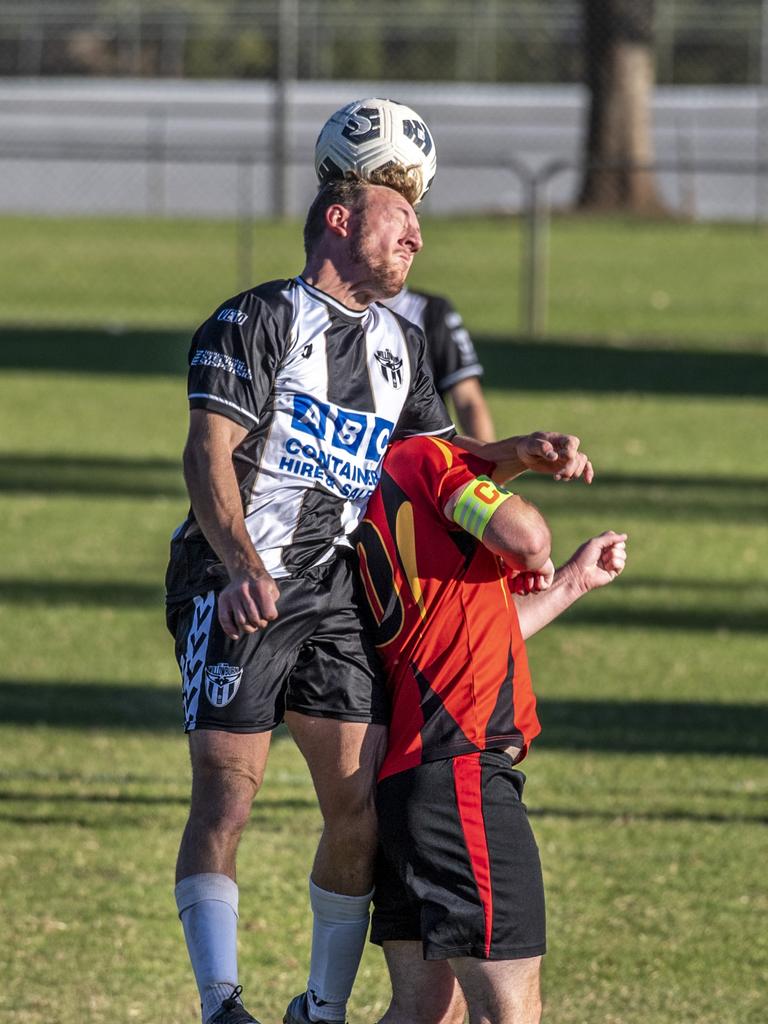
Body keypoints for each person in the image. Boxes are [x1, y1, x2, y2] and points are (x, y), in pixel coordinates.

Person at [165, 169, 594, 1024]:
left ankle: (321, 1010)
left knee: (357, 804)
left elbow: (438, 464)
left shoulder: (402, 344)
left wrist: (517, 450)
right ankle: (221, 1004)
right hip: (234, 574)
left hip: (331, 592)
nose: (418, 236)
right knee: (227, 790)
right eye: (402, 215)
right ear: (338, 218)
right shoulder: (256, 317)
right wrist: (244, 563)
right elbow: (206, 453)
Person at [354, 434, 628, 1024]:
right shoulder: (424, 458)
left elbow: (481, 636)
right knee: (508, 1012)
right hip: (461, 773)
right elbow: (529, 541)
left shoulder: (386, 499)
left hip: (411, 783)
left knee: (424, 1009)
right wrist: (526, 541)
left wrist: (572, 582)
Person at [382, 287, 495, 441]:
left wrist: (488, 461)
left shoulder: (429, 310)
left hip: (413, 455)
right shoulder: (340, 316)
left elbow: (468, 399)